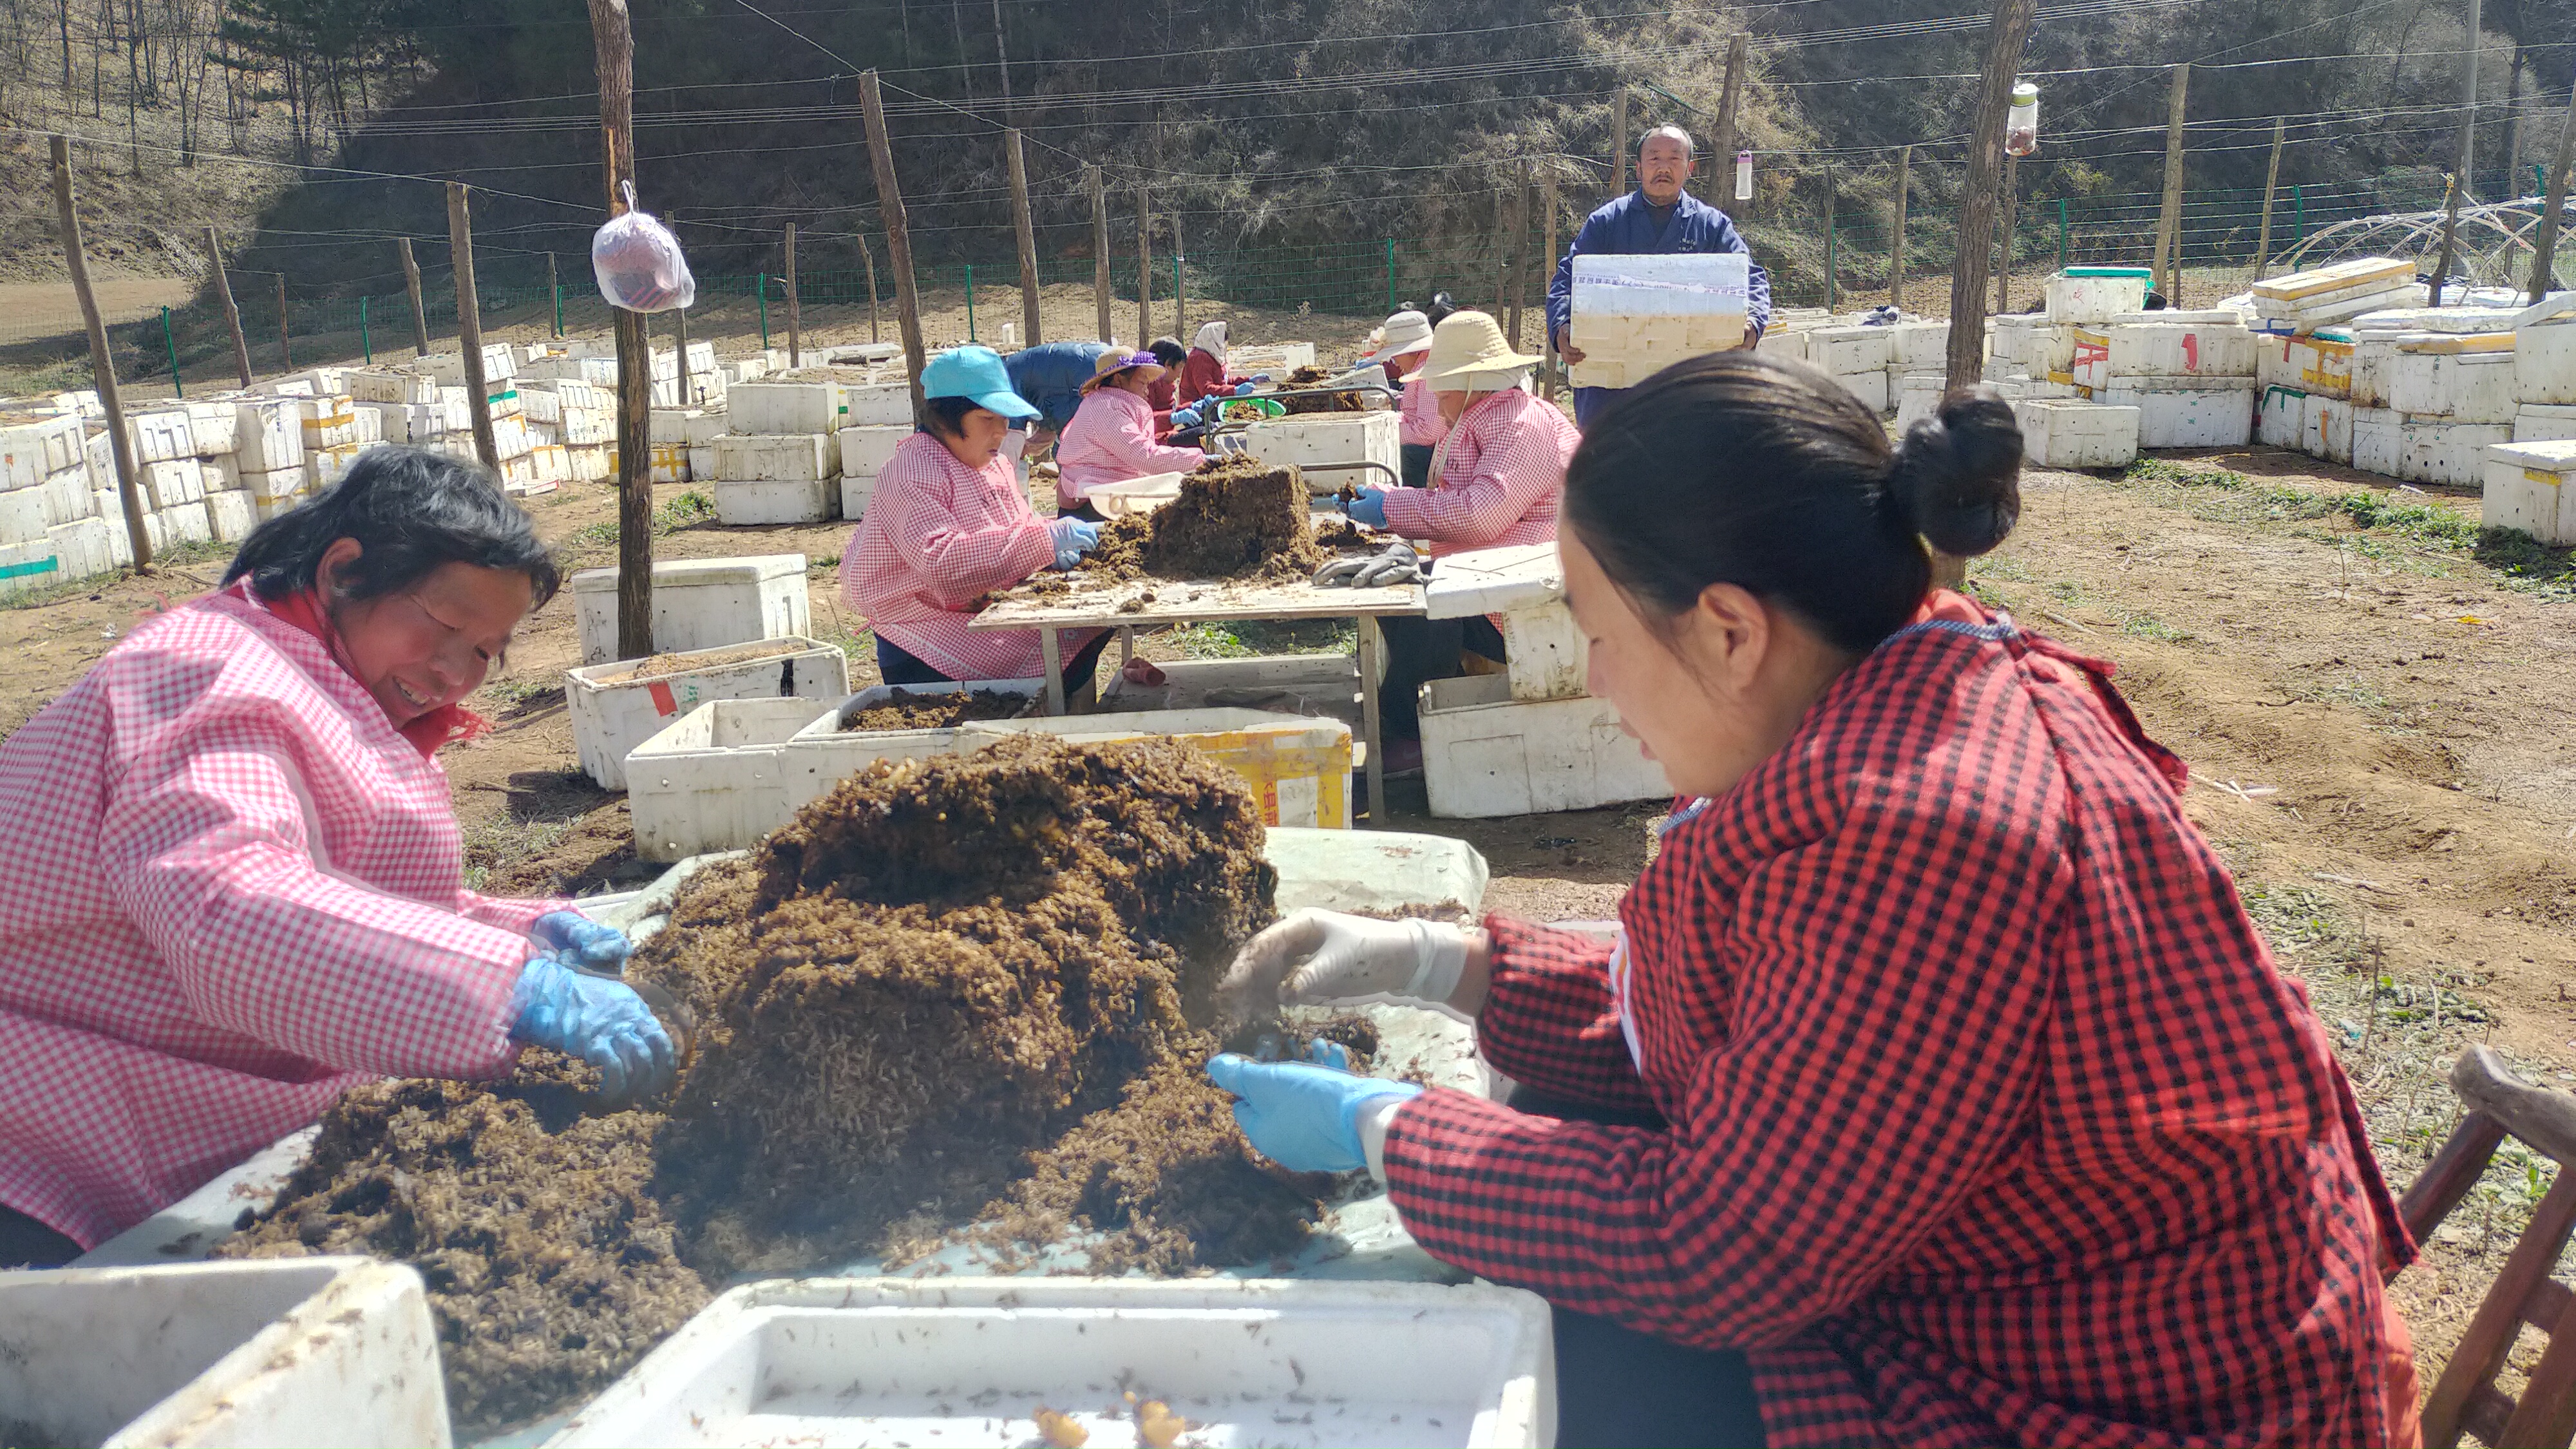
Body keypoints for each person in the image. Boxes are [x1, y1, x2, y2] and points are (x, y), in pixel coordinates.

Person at [1207, 357, 2421, 1448]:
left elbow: (1717, 1254)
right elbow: (1769, 1027)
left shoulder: (1921, 839)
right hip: (1976, 1292)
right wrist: (1437, 961)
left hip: (2110, 1401)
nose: (1593, 678)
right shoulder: (1912, 678)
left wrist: (1387, 1127)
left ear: (1731, 630)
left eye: (1597, 631)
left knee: (1561, 1363)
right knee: (1551, 1194)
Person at [0, 448, 676, 1267]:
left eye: (485, 654)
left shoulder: (312, 674)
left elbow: (347, 892)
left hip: (169, 1096)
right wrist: (508, 985)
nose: (453, 674)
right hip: (44, 1148)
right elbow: (230, 907)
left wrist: (528, 929)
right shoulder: (205, 671)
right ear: (344, 569)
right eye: (445, 627)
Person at [1343, 310, 1577, 762]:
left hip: (1540, 596)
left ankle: (1410, 732)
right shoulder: (1486, 417)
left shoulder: (1520, 426)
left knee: (1421, 606)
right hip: (1505, 572)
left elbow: (1481, 515)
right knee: (1400, 595)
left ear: (1472, 383)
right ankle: (1422, 707)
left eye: (1440, 389)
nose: (1436, 399)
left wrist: (1392, 506)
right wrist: (1395, 505)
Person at [842, 346, 1111, 695]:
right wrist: (1047, 541)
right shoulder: (912, 471)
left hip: (982, 606)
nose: (1002, 431)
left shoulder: (994, 464)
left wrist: (1050, 542)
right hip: (922, 632)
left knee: (1094, 624)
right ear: (945, 419)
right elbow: (942, 561)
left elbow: (1017, 526)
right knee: (1058, 652)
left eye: (1005, 419)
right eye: (988, 419)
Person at [1548, 124, 1775, 428]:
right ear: (1639, 168)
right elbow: (1566, 279)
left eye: (1675, 159)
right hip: (1611, 397)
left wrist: (1753, 325)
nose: (1664, 168)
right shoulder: (1606, 223)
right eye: (1654, 159)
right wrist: (1561, 325)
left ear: (1690, 168)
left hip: (1690, 397)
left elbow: (1752, 279)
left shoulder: (1711, 227)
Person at [1054, 349, 1208, 520]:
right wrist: (1201, 460)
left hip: (1110, 497)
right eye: (1142, 383)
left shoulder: (1112, 403)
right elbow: (1145, 457)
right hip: (1093, 507)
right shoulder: (1106, 408)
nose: (1147, 391)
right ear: (1119, 379)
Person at [1359, 308, 1443, 489]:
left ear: (1413, 351)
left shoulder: (1427, 371)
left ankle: (1412, 502)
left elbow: (1427, 432)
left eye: (1397, 354)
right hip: (1434, 449)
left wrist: (1385, 432)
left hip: (1437, 456)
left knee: (1403, 455)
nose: (1395, 361)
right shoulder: (1422, 366)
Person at [1000, 339, 1115, 456]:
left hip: (1086, 374)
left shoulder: (1005, 383)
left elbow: (1012, 440)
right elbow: (1048, 427)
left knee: (1068, 453)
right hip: (1102, 362)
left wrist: (1012, 460)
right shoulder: (1016, 369)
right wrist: (1026, 449)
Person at [1173, 320, 1243, 406]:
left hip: (1210, 405)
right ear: (1213, 340)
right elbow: (1207, 390)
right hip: (1196, 409)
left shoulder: (1212, 355)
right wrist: (1235, 390)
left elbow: (1222, 380)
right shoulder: (1200, 359)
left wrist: (1245, 380)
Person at [1144, 337, 1189, 413]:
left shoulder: (1168, 385)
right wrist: (1171, 418)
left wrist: (1192, 406)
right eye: (1180, 366)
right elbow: (1148, 417)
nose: (1180, 374)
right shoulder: (1148, 387)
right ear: (1168, 364)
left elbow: (1172, 411)